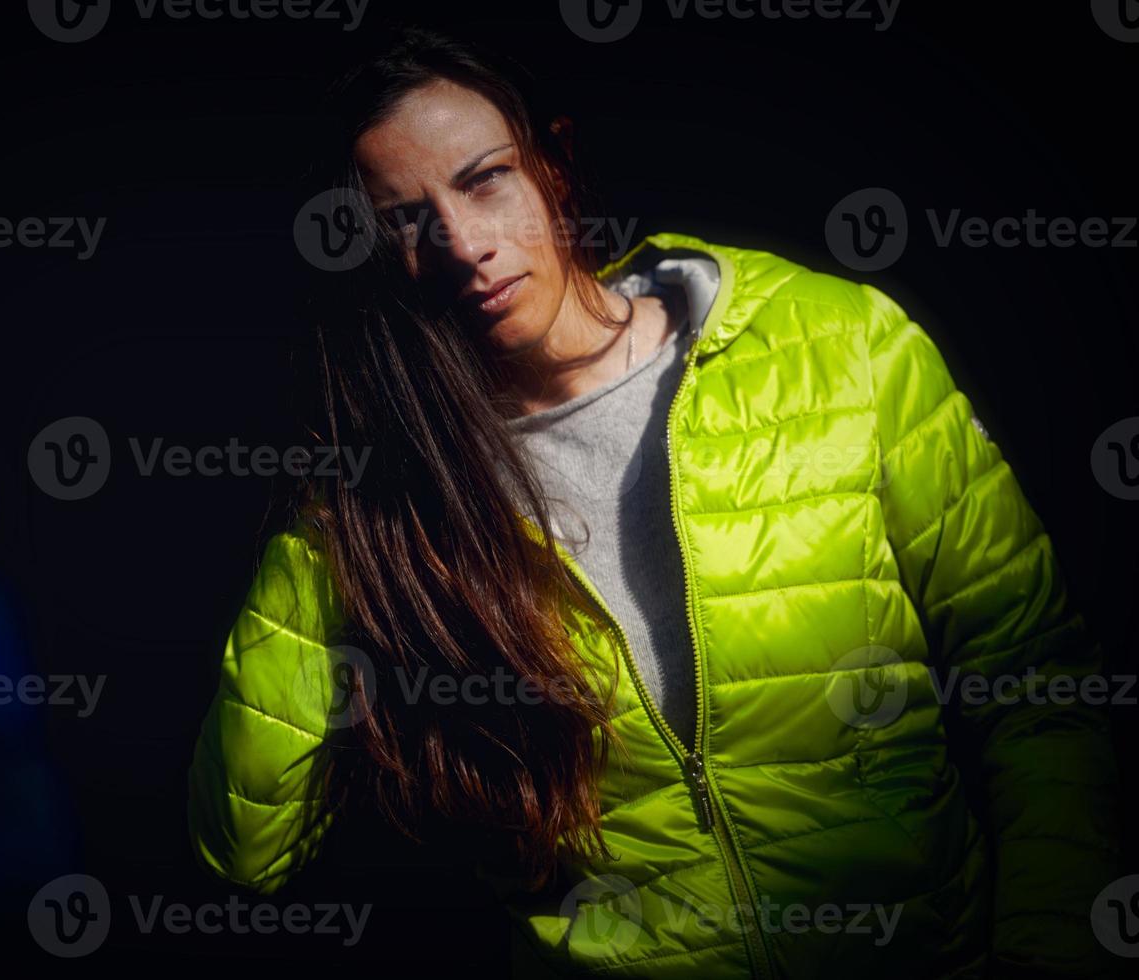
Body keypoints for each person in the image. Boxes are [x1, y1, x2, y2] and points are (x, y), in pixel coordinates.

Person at [186, 25, 1120, 978]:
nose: (465, 245)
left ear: (551, 162)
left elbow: (1039, 690)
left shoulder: (837, 345)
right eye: (405, 221)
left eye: (485, 179)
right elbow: (245, 852)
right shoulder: (397, 503)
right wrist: (339, 513)